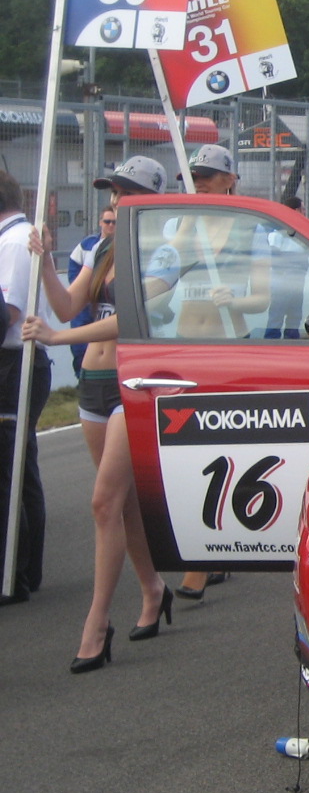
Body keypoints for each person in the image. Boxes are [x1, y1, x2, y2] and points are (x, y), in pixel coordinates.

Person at [22, 156, 177, 670]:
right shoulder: (103, 247)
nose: (115, 201)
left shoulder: (165, 252)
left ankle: (96, 622)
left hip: (132, 383)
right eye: (112, 192)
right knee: (121, 504)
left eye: (125, 191)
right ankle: (152, 589)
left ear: (151, 198)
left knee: (102, 502)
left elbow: (132, 315)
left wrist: (57, 338)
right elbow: (68, 307)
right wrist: (46, 261)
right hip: (92, 384)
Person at [172, 143, 249, 602]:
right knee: (188, 453)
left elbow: (262, 294)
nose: (197, 181)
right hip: (186, 343)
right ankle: (208, 551)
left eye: (206, 175)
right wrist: (188, 223)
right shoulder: (185, 223)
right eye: (193, 175)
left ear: (229, 179)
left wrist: (236, 297)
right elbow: (167, 268)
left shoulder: (245, 224)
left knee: (219, 453)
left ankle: (204, 559)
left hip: (227, 346)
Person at [0, 170, 51, 606]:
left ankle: (15, 572)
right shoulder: (13, 238)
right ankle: (23, 569)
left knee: (12, 468)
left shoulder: (14, 242)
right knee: (18, 465)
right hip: (15, 362)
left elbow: (10, 312)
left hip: (16, 362)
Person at [66, 206, 116, 379]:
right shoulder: (89, 245)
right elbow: (73, 268)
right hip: (86, 303)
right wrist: (86, 291)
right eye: (107, 222)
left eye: (114, 222)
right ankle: (80, 375)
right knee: (80, 342)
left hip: (107, 305)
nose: (111, 225)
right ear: (100, 222)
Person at [264, 195, 309, 339]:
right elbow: (274, 257)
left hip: (298, 278)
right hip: (282, 280)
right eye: (303, 209)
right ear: (296, 210)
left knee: (295, 314)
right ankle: (271, 343)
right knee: (277, 314)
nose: (304, 212)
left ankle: (292, 341)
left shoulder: (301, 231)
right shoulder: (278, 231)